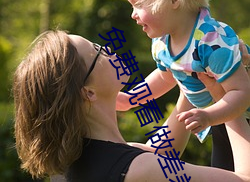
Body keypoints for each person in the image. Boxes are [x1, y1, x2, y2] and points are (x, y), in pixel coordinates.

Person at [13, 30, 250, 182]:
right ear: (88, 92)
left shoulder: (77, 164)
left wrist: (190, 68)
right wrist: (226, 97)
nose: (109, 50)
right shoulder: (138, 170)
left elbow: (164, 153)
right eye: (97, 51)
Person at [119, 0, 250, 171]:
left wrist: (209, 116)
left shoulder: (210, 41)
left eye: (138, 4)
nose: (132, 15)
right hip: (220, 121)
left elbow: (242, 92)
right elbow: (166, 77)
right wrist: (132, 99)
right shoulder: (162, 42)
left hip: (239, 118)